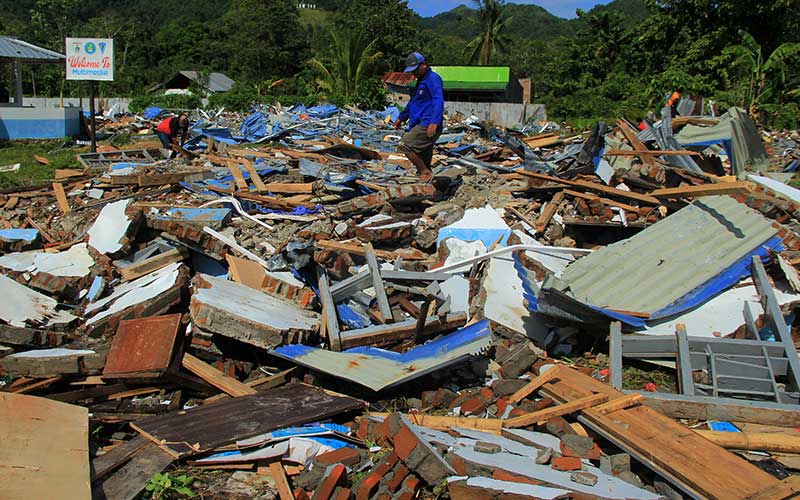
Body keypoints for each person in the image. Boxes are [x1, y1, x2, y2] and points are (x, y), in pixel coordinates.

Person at [393, 52, 444, 183]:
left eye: (415, 69)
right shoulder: (420, 82)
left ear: (424, 65)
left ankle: (424, 172)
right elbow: (413, 102)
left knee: (404, 145)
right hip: (418, 123)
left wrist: (434, 122)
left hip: (427, 124)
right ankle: (428, 188)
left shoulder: (432, 79)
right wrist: (401, 117)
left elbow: (438, 99)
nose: (413, 73)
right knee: (423, 156)